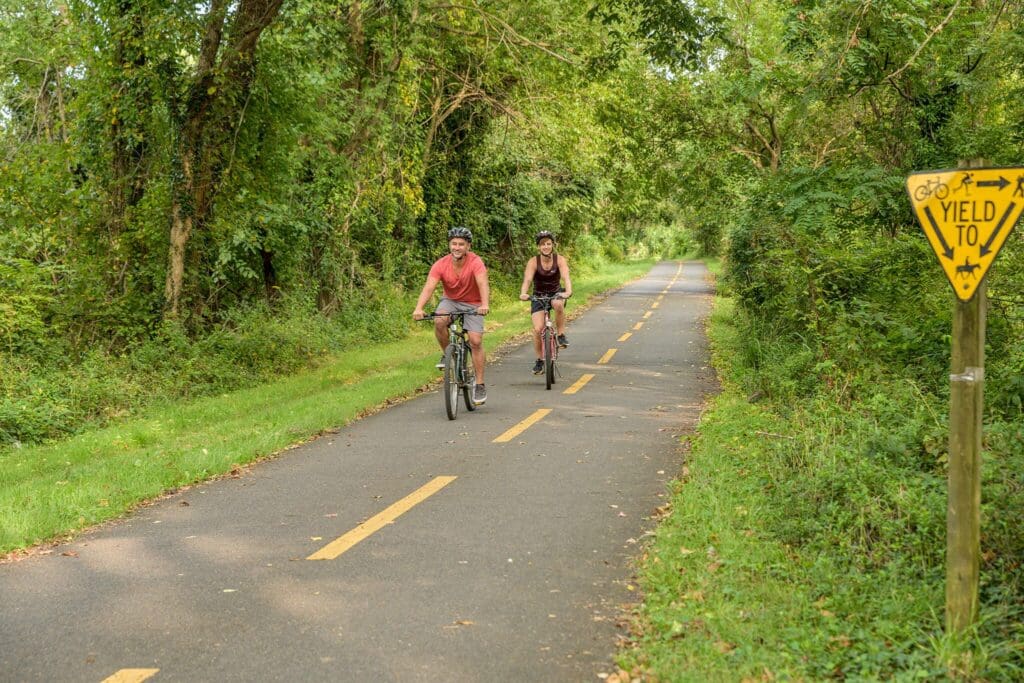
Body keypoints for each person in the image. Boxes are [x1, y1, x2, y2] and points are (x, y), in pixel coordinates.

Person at [413, 226, 490, 405]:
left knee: (475, 340)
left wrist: (485, 305)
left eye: (461, 244)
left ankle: (479, 384)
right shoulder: (441, 264)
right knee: (439, 320)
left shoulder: (476, 262)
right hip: (451, 301)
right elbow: (429, 286)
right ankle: (449, 354)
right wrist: (419, 308)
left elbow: (483, 284)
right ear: (449, 245)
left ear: (468, 246)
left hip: (474, 303)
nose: (456, 247)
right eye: (453, 244)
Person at [519, 230, 573, 375]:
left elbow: (566, 277)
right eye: (543, 244)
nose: (546, 247)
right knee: (538, 328)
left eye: (548, 244)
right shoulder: (533, 262)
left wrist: (568, 292)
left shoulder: (560, 260)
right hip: (538, 296)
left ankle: (561, 336)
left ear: (553, 245)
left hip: (555, 293)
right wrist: (524, 293)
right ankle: (539, 361)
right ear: (539, 247)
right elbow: (528, 280)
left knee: (558, 304)